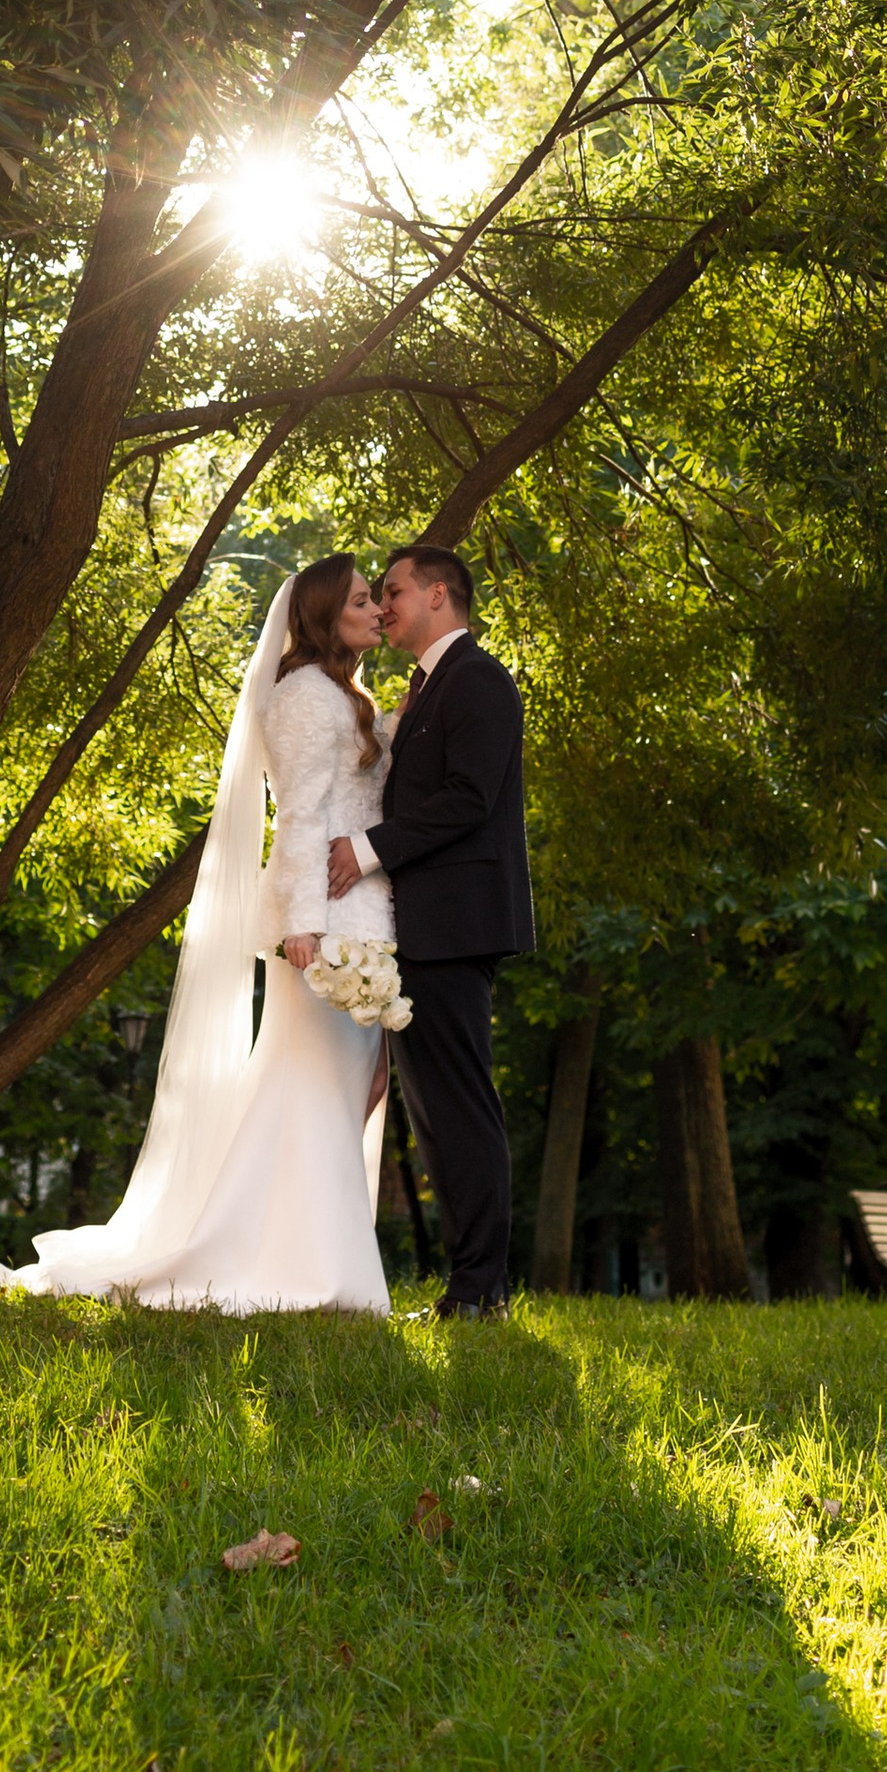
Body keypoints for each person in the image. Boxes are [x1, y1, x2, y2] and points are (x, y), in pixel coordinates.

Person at [0, 557, 397, 1310]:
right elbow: (303, 816)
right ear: (320, 616)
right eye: (359, 598)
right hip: (324, 925)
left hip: (360, 919)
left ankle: (312, 1253)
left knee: (344, 1088)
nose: (375, 607)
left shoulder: (345, 694)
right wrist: (307, 927)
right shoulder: (306, 697)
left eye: (375, 596)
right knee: (315, 1087)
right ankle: (308, 1266)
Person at [325, 542, 534, 1317]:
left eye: (396, 590)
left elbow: (467, 797)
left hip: (457, 926)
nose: (384, 605)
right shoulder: (429, 688)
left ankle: (483, 1290)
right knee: (437, 1120)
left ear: (441, 595)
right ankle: (468, 1288)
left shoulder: (479, 680)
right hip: (422, 932)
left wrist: (365, 850)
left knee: (461, 1111)